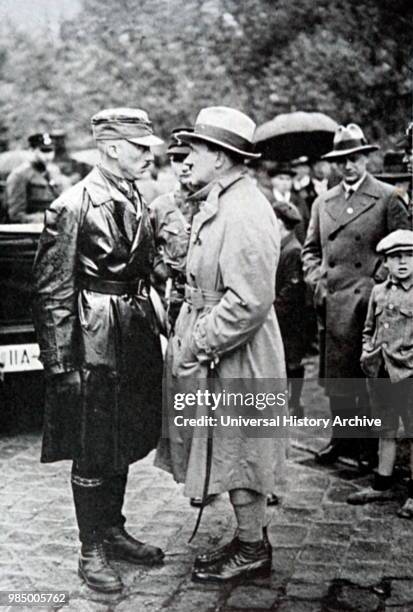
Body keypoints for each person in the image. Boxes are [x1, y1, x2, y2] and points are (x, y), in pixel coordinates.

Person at [32, 108, 165, 593]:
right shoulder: (73, 204)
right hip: (93, 338)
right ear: (111, 147)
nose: (149, 156)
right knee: (91, 443)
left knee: (124, 431)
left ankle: (113, 528)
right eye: (139, 147)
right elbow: (51, 291)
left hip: (132, 332)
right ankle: (91, 546)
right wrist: (60, 362)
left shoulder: (136, 195)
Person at [155, 106, 287, 583]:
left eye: (197, 150)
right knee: (228, 446)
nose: (186, 159)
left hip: (237, 349)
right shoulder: (222, 200)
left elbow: (250, 300)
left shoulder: (245, 210)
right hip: (220, 344)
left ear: (223, 157)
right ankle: (248, 539)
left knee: (241, 447)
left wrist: (196, 343)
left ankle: (253, 548)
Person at [302, 123, 410, 467]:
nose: (349, 166)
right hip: (333, 301)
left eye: (356, 158)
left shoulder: (387, 196)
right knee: (338, 378)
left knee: (369, 374)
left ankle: (368, 449)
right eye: (343, 160)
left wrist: (379, 284)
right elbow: (310, 250)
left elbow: (404, 249)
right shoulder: (323, 201)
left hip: (371, 303)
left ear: (366, 158)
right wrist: (318, 281)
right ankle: (342, 440)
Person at [347, 230, 413, 519]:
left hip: (409, 373)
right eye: (395, 257)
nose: (402, 263)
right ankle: (382, 482)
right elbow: (369, 329)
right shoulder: (379, 291)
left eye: (409, 257)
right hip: (382, 371)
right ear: (385, 261)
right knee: (386, 429)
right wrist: (367, 351)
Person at [150, 128, 198, 331]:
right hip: (175, 299)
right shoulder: (160, 207)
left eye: (188, 157)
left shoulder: (215, 203)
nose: (184, 166)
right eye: (177, 160)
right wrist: (165, 274)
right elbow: (145, 252)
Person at [272, 200, 306, 417]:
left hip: (289, 317)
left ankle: (294, 404)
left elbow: (291, 289)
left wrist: (273, 310)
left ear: (280, 223)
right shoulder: (282, 246)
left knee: (291, 361)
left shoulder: (292, 250)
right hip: (284, 314)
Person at [5, 133, 67, 223]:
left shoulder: (54, 171)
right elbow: (16, 215)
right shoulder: (19, 175)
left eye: (51, 151)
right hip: (32, 231)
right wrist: (47, 218)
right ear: (32, 150)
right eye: (43, 151)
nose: (48, 156)